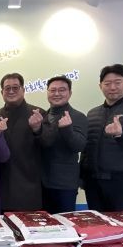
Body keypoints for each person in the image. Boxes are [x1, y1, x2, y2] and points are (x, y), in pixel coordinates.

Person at [81, 64, 123, 212]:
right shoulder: (92, 113)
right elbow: (87, 148)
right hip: (93, 181)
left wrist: (120, 134)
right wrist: (81, 176)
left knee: (122, 222)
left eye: (117, 82)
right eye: (107, 83)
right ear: (100, 86)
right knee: (97, 222)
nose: (112, 87)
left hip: (121, 181)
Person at [0, 72, 44, 212]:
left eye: (15, 87)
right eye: (7, 88)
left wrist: (37, 129)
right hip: (2, 185)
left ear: (23, 90)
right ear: (2, 92)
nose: (11, 91)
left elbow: (48, 145)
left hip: (30, 184)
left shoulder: (38, 114)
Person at [37, 76, 88, 213]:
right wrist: (36, 129)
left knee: (64, 222)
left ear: (70, 93)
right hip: (41, 182)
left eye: (62, 90)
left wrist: (67, 130)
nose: (57, 93)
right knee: (43, 222)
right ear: (47, 93)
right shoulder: (42, 116)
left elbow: (79, 146)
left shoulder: (78, 116)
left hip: (64, 184)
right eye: (52, 90)